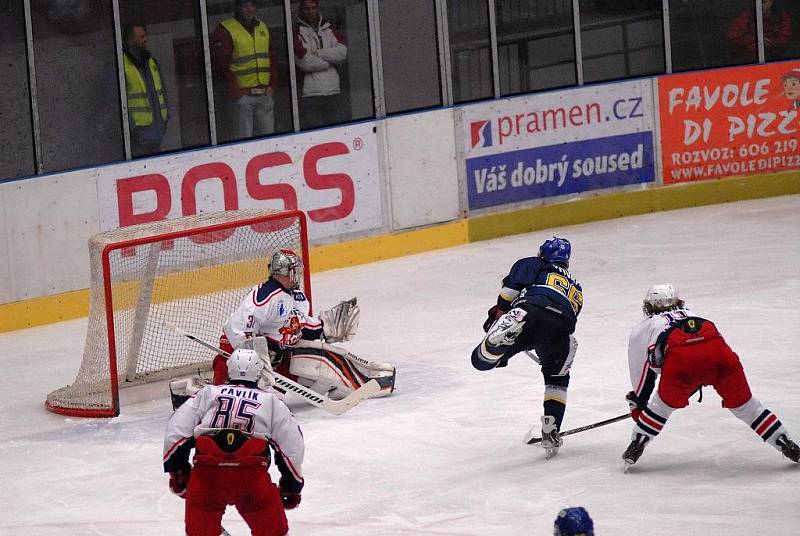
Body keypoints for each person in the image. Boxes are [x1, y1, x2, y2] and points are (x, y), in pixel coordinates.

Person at [622, 283, 800, 469]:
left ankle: (637, 444)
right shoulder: (693, 313)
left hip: (682, 366)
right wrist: (702, 373)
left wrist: (640, 404)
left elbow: (641, 373)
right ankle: (786, 443)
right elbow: (709, 347)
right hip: (722, 358)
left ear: (649, 305)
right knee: (748, 407)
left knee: (661, 407)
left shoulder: (644, 327)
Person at [213, 248, 395, 400]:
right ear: (289, 272)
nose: (299, 274)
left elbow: (299, 325)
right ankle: (215, 389)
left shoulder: (296, 296)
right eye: (296, 270)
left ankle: (365, 381)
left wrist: (324, 328)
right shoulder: (264, 296)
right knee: (233, 399)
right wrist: (257, 359)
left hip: (280, 359)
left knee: (326, 360)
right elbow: (237, 329)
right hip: (239, 362)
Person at [163, 348, 305, 536]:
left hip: (208, 475)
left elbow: (176, 430)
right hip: (251, 477)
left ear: (229, 371)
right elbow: (291, 445)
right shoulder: (271, 402)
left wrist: (178, 470)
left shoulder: (208, 393)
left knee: (201, 530)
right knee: (273, 532)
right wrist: (292, 485)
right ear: (259, 373)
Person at [471, 237, 583, 458]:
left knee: (480, 361)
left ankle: (498, 345)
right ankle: (551, 430)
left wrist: (498, 315)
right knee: (557, 380)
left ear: (543, 253)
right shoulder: (576, 286)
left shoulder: (536, 263)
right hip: (561, 330)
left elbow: (510, 292)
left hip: (531, 313)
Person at [211, 0, 277, 140]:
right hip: (242, 97)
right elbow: (221, 65)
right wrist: (235, 90)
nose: (250, 9)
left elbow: (271, 57)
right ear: (238, 8)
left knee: (269, 141)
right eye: (246, 5)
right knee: (244, 141)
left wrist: (272, 84)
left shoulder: (262, 26)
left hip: (264, 94)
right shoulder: (226, 29)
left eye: (253, 5)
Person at [293, 0, 348, 129]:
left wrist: (318, 53)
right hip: (310, 93)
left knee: (336, 131)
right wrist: (329, 61)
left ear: (317, 9)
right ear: (301, 10)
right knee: (315, 131)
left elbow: (342, 53)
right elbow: (305, 62)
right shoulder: (295, 31)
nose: (310, 11)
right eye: (307, 8)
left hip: (333, 89)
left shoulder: (328, 28)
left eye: (313, 8)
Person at [122, 24, 168, 158]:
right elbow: (113, 105)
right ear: (131, 40)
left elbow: (163, 94)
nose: (146, 39)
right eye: (142, 36)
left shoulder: (151, 63)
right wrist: (132, 130)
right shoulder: (120, 66)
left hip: (155, 136)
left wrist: (163, 123)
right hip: (136, 141)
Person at [728, 0, 793, 60]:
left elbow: (785, 40)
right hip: (748, 60)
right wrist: (756, 40)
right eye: (758, 3)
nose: (761, 6)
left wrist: (771, 42)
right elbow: (734, 39)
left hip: (776, 58)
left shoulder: (781, 16)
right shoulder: (745, 16)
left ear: (771, 2)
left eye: (764, 2)